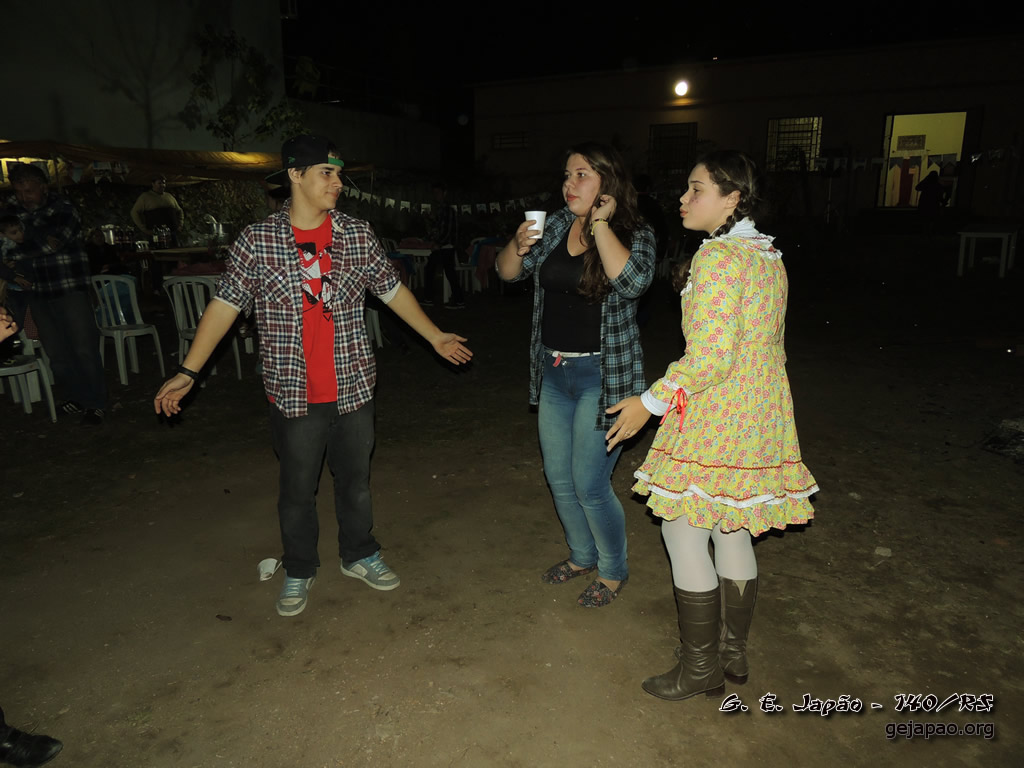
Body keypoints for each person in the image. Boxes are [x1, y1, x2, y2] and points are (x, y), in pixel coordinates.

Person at [153, 135, 472, 618]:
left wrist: (435, 336)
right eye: (327, 172)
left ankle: (359, 553)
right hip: (293, 389)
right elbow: (224, 306)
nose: (337, 182)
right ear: (295, 175)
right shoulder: (258, 240)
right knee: (297, 490)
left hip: (353, 383)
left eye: (339, 174)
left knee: (356, 481)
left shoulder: (356, 234)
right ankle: (300, 567)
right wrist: (187, 371)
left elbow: (390, 290)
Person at [604, 151, 818, 700]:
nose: (683, 198)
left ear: (732, 199)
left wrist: (649, 402)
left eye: (696, 189)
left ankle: (700, 667)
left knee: (682, 530)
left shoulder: (720, 257)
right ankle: (732, 653)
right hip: (760, 410)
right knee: (732, 529)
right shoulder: (765, 253)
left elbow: (711, 358)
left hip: (720, 410)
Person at [496, 142, 655, 608]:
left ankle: (613, 571)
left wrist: (601, 224)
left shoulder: (636, 231)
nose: (570, 184)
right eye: (567, 175)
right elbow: (507, 273)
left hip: (602, 377)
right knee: (558, 478)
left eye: (582, 174)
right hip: (554, 372)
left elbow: (632, 283)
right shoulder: (555, 224)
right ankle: (582, 556)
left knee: (589, 483)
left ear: (608, 180)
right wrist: (517, 246)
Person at [5, 164, 107, 425]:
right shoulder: (10, 210)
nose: (24, 197)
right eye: (19, 192)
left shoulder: (63, 207)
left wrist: (20, 247)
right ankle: (76, 396)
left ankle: (96, 403)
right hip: (37, 291)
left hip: (69, 286)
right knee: (56, 352)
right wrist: (34, 241)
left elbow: (53, 244)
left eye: (29, 191)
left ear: (43, 187)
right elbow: (8, 246)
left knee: (84, 347)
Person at [421, 183, 465, 309]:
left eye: (438, 193)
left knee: (435, 270)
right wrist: (429, 220)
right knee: (443, 271)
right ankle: (457, 300)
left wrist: (439, 244)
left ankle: (431, 298)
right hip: (443, 246)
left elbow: (448, 230)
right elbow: (438, 228)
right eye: (434, 193)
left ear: (444, 193)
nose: (435, 195)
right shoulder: (440, 210)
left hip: (446, 246)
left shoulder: (448, 210)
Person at [130, 175, 184, 239]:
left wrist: (180, 225)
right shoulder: (145, 197)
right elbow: (134, 212)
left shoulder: (169, 196)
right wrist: (144, 229)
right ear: (153, 184)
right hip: (155, 233)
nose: (162, 185)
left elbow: (179, 211)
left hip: (172, 232)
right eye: (159, 183)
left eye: (164, 183)